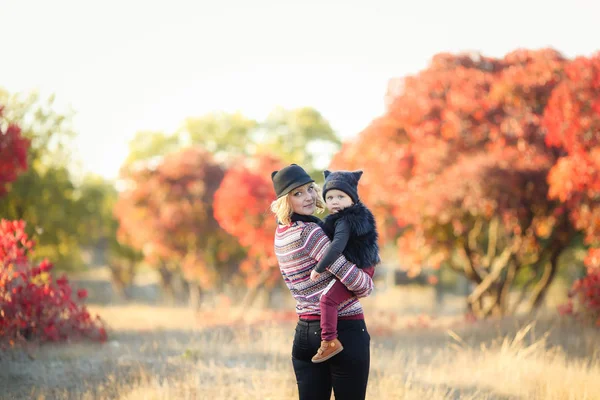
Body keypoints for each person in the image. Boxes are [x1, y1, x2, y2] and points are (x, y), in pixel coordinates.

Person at [270, 164, 374, 400]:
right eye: (297, 193)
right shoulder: (310, 232)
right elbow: (357, 283)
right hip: (343, 330)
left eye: (309, 189)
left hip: (305, 333)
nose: (308, 197)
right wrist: (367, 278)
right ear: (286, 201)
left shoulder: (281, 233)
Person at [309, 170, 380, 363]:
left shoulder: (347, 221)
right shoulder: (339, 218)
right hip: (357, 264)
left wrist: (319, 269)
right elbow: (323, 229)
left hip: (362, 267)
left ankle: (329, 341)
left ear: (352, 199)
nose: (335, 201)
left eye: (341, 196)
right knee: (330, 297)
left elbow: (336, 246)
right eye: (330, 197)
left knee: (327, 299)